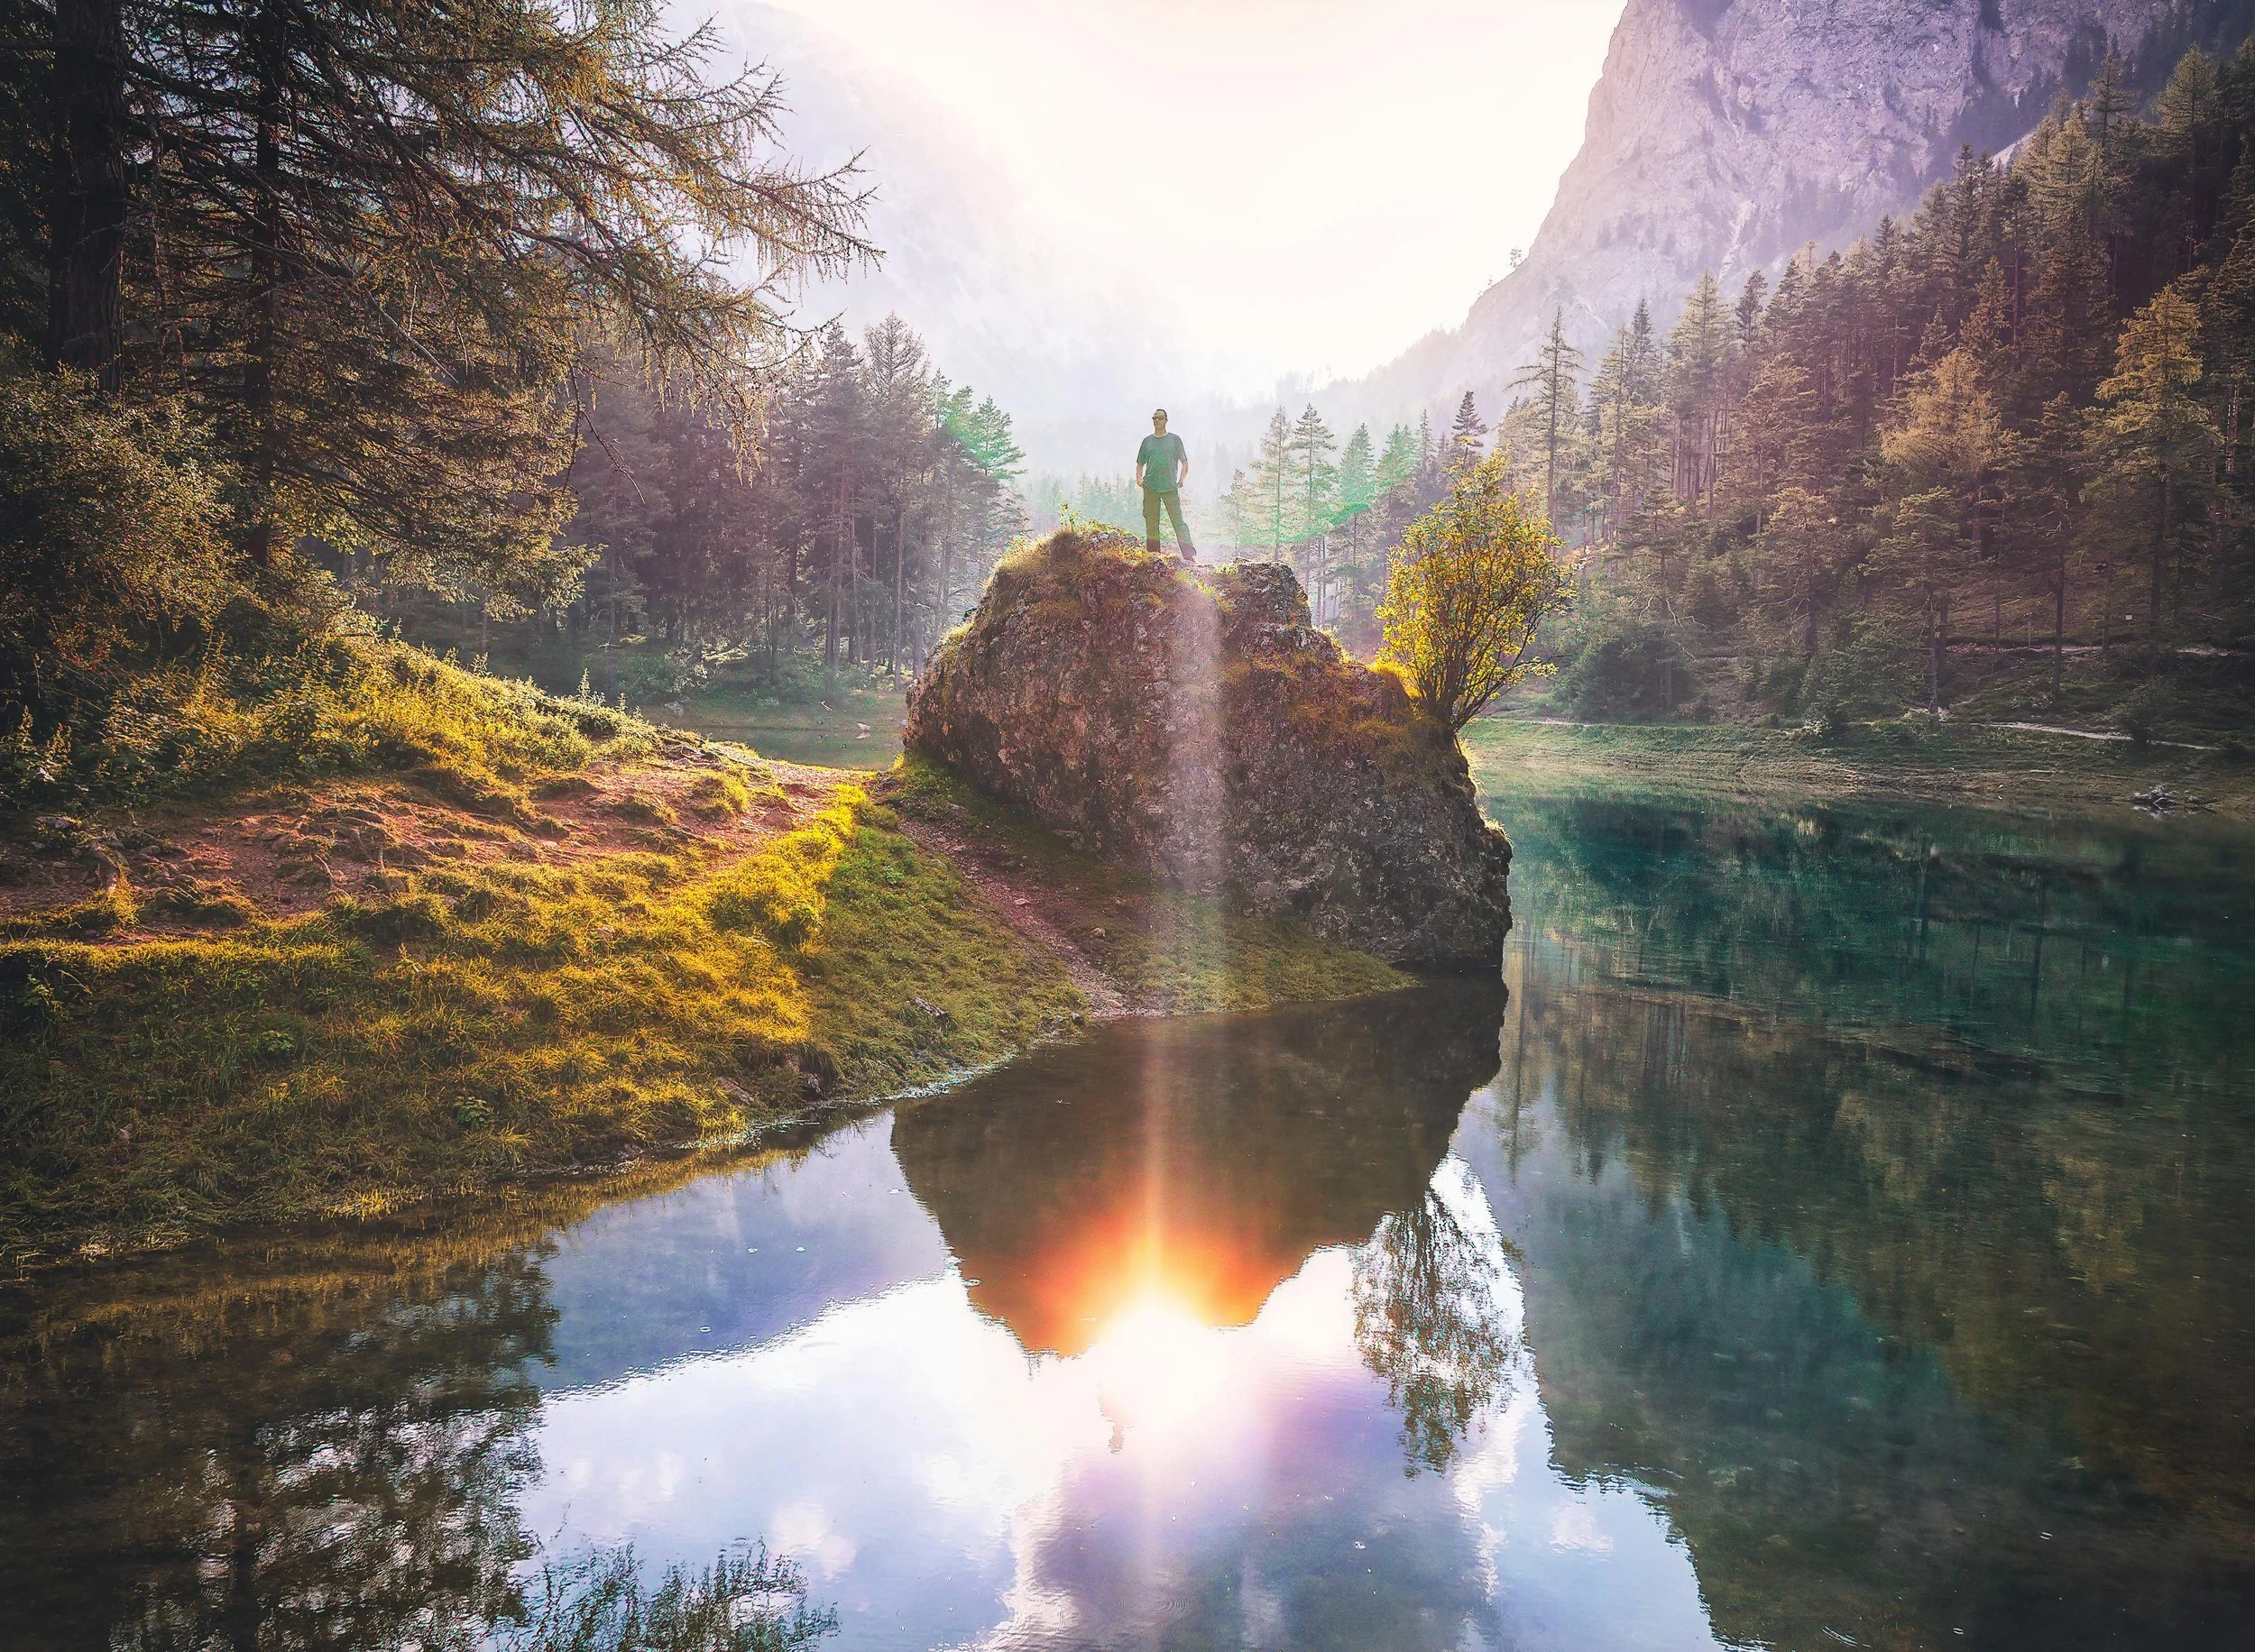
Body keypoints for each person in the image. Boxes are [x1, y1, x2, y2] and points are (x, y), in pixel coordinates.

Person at [1135, 408, 1196, 564]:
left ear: (1166, 420)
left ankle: (1189, 555)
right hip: (1151, 487)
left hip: (1170, 487)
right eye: (1154, 419)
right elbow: (1140, 463)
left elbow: (1184, 462)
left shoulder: (1174, 440)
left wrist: (1182, 479)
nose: (1157, 421)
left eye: (1160, 418)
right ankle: (1154, 556)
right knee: (1152, 522)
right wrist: (1139, 480)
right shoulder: (1147, 441)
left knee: (1178, 521)